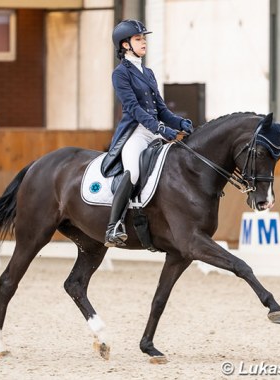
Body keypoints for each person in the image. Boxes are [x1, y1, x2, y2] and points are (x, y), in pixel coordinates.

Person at [103, 19, 194, 248]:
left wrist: (180, 122)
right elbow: (133, 108)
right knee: (132, 172)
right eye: (138, 39)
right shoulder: (121, 74)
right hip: (135, 132)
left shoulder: (149, 72)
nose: (144, 42)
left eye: (144, 38)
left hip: (155, 131)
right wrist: (160, 128)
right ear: (125, 45)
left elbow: (161, 109)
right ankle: (113, 226)